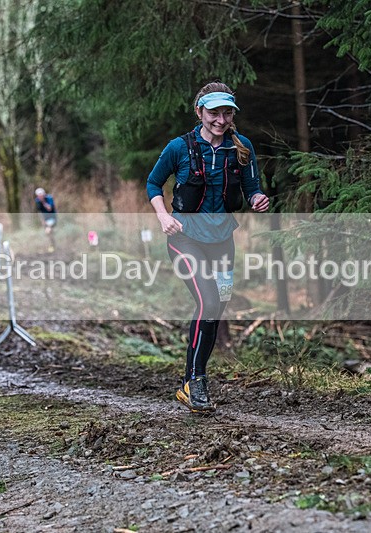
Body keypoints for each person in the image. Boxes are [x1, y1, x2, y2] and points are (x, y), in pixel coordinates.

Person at [146, 81, 270, 413]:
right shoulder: (179, 147)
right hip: (184, 238)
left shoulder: (241, 146)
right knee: (209, 301)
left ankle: (189, 383)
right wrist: (162, 216)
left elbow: (252, 187)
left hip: (223, 241)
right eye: (214, 112)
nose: (220, 119)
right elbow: (153, 183)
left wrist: (258, 198)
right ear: (200, 111)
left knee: (215, 310)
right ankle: (197, 380)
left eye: (227, 113)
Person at [34, 187, 57, 252]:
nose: (39, 197)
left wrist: (43, 202)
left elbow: (49, 208)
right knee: (48, 233)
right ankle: (52, 244)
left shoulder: (49, 198)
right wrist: (42, 220)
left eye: (41, 195)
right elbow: (40, 211)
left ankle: (52, 245)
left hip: (52, 217)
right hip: (45, 219)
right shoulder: (37, 201)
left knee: (48, 231)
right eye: (38, 196)